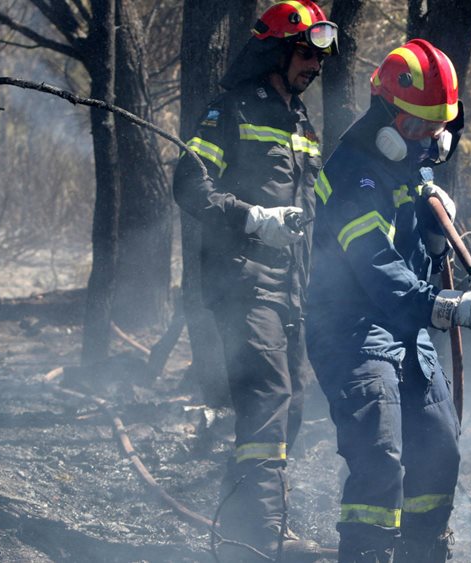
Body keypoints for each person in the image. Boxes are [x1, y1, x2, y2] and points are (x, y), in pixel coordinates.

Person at [306, 39, 471, 562]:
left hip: (405, 330)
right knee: (379, 459)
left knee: (440, 449)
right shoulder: (353, 173)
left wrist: (432, 233)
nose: (428, 141)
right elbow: (378, 271)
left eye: (436, 128)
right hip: (351, 331)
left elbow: (407, 252)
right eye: (416, 127)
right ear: (386, 113)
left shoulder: (412, 162)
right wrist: (452, 306)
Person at [171, 1, 337, 559]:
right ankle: (264, 541)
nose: (313, 66)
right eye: (305, 53)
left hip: (292, 287)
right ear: (275, 48)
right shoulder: (232, 111)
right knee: (268, 397)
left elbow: (318, 207)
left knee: (291, 405)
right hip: (243, 281)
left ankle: (243, 528)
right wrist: (249, 217)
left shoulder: (302, 123)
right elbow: (189, 184)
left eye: (319, 58)